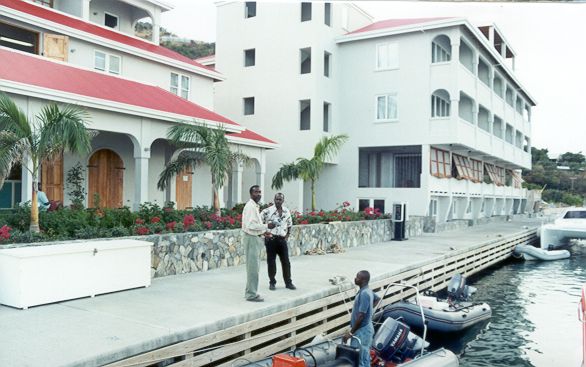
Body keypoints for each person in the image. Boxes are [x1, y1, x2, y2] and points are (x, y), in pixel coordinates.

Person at [242, 185, 275, 302]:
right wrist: (267, 226)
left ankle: (250, 291)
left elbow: (253, 225)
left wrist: (264, 232)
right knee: (253, 268)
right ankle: (251, 294)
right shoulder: (250, 207)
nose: (259, 194)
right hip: (252, 239)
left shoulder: (254, 206)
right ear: (251, 194)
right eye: (256, 192)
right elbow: (250, 225)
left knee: (254, 267)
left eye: (260, 192)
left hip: (254, 237)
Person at [261, 193, 295, 291]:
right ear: (274, 199)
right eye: (277, 199)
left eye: (280, 199)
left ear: (283, 201)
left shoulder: (286, 211)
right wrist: (264, 233)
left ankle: (288, 282)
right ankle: (272, 282)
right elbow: (259, 223)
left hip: (281, 240)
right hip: (271, 240)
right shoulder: (267, 211)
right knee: (271, 262)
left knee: (286, 262)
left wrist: (287, 235)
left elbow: (289, 224)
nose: (278, 201)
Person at [343, 270, 376, 367]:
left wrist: (350, 333)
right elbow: (377, 299)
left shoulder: (365, 294)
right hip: (365, 329)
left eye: (357, 277)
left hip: (362, 331)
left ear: (363, 280)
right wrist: (369, 311)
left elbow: (361, 316)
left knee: (359, 360)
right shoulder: (367, 290)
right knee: (364, 358)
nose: (355, 278)